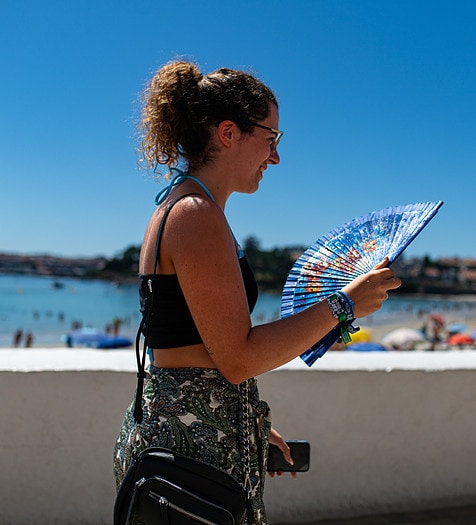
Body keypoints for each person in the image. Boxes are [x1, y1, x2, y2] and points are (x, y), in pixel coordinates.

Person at [113, 60, 401, 524]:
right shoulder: (195, 215)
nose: (276, 157)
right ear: (228, 134)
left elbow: (199, 348)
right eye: (271, 139)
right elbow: (238, 358)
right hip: (192, 452)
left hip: (189, 434)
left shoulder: (185, 207)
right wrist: (343, 304)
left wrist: (246, 423)